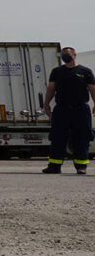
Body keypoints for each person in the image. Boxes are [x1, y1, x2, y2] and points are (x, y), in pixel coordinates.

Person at [43, 47, 94, 175]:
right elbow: (51, 88)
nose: (65, 56)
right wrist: (46, 104)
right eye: (63, 54)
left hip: (80, 109)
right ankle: (54, 166)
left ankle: (81, 166)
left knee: (82, 137)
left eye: (67, 54)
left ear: (74, 55)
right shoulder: (57, 71)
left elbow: (93, 88)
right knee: (57, 137)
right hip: (62, 108)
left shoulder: (85, 71)